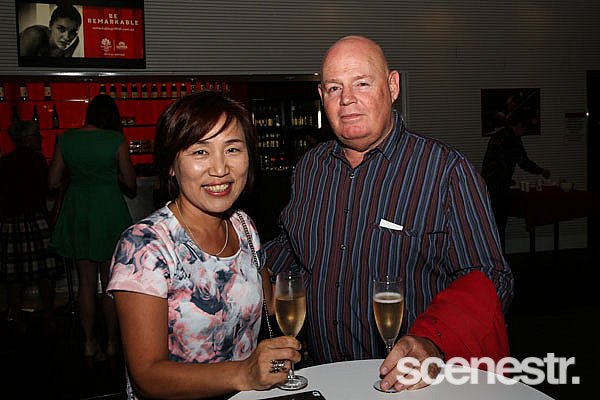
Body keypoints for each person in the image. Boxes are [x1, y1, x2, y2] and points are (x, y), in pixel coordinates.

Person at [264, 36, 515, 392]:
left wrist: (434, 342)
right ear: (321, 96)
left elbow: (491, 278)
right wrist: (239, 262)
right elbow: (292, 245)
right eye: (334, 88)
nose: (346, 99)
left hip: (408, 385)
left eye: (362, 83)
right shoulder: (310, 168)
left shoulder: (445, 171)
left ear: (393, 86)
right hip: (324, 376)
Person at [107, 92, 301, 400]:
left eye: (232, 149)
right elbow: (148, 376)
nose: (220, 169)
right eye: (200, 152)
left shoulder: (243, 226)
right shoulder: (146, 246)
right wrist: (243, 373)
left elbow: (270, 302)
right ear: (171, 165)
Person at [48, 94, 136, 366]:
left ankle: (88, 342)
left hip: (79, 210)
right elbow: (130, 182)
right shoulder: (115, 140)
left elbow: (52, 181)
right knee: (110, 283)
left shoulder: (66, 139)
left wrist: (78, 176)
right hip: (108, 211)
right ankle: (111, 343)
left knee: (85, 283)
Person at [0, 121, 62, 334]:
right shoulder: (36, 160)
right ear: (26, 139)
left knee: (14, 276)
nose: (40, 137)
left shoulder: (5, 162)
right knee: (45, 273)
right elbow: (48, 189)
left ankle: (16, 316)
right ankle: (48, 315)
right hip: (36, 220)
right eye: (36, 134)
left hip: (11, 223)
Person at [481, 109, 551, 251]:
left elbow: (490, 164)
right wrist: (541, 171)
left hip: (487, 185)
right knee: (500, 223)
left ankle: (491, 253)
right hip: (499, 188)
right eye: (524, 129)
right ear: (519, 125)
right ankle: (500, 255)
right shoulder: (513, 139)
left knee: (490, 224)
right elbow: (523, 162)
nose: (524, 132)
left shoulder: (497, 136)